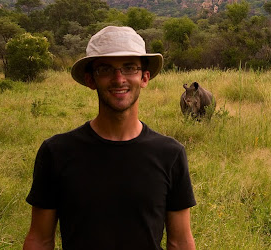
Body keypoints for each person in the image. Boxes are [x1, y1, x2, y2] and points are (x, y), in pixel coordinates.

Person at [23, 26, 196, 250]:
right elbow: (40, 239)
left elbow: (180, 242)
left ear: (144, 77)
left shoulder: (170, 154)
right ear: (90, 80)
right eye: (105, 69)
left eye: (129, 68)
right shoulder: (56, 151)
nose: (118, 79)